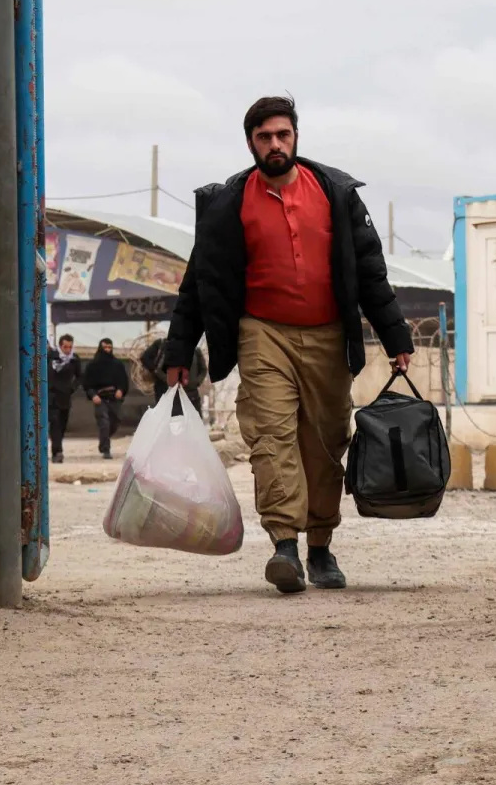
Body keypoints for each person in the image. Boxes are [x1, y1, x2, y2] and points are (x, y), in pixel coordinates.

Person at [162, 95, 413, 595]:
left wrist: (396, 335)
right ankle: (284, 546)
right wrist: (177, 351)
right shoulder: (227, 204)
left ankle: (320, 547)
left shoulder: (336, 194)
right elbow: (200, 281)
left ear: (296, 136)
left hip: (328, 336)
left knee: (323, 446)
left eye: (283, 135)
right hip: (262, 333)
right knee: (271, 437)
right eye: (264, 137)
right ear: (250, 142)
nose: (275, 145)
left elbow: (370, 271)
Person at [82, 338, 129, 460]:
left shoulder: (117, 364)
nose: (107, 350)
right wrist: (93, 395)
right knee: (104, 423)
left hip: (114, 398)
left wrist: (120, 390)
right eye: (105, 348)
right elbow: (86, 384)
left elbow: (123, 381)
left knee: (116, 421)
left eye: (109, 347)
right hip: (100, 398)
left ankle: (104, 439)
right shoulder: (92, 365)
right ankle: (106, 449)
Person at [140, 336, 207, 415]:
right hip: (165, 391)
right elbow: (146, 359)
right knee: (170, 419)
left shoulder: (195, 350)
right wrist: (156, 371)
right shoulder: (162, 344)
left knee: (192, 420)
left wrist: (196, 382)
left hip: (189, 393)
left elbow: (203, 369)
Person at [47, 335, 83, 462]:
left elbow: (80, 377)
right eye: (65, 347)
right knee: (55, 423)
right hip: (51, 396)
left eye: (70, 347)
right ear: (60, 346)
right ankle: (57, 452)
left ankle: (57, 447)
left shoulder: (74, 359)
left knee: (62, 425)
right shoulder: (51, 357)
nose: (68, 350)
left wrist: (72, 388)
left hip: (65, 397)